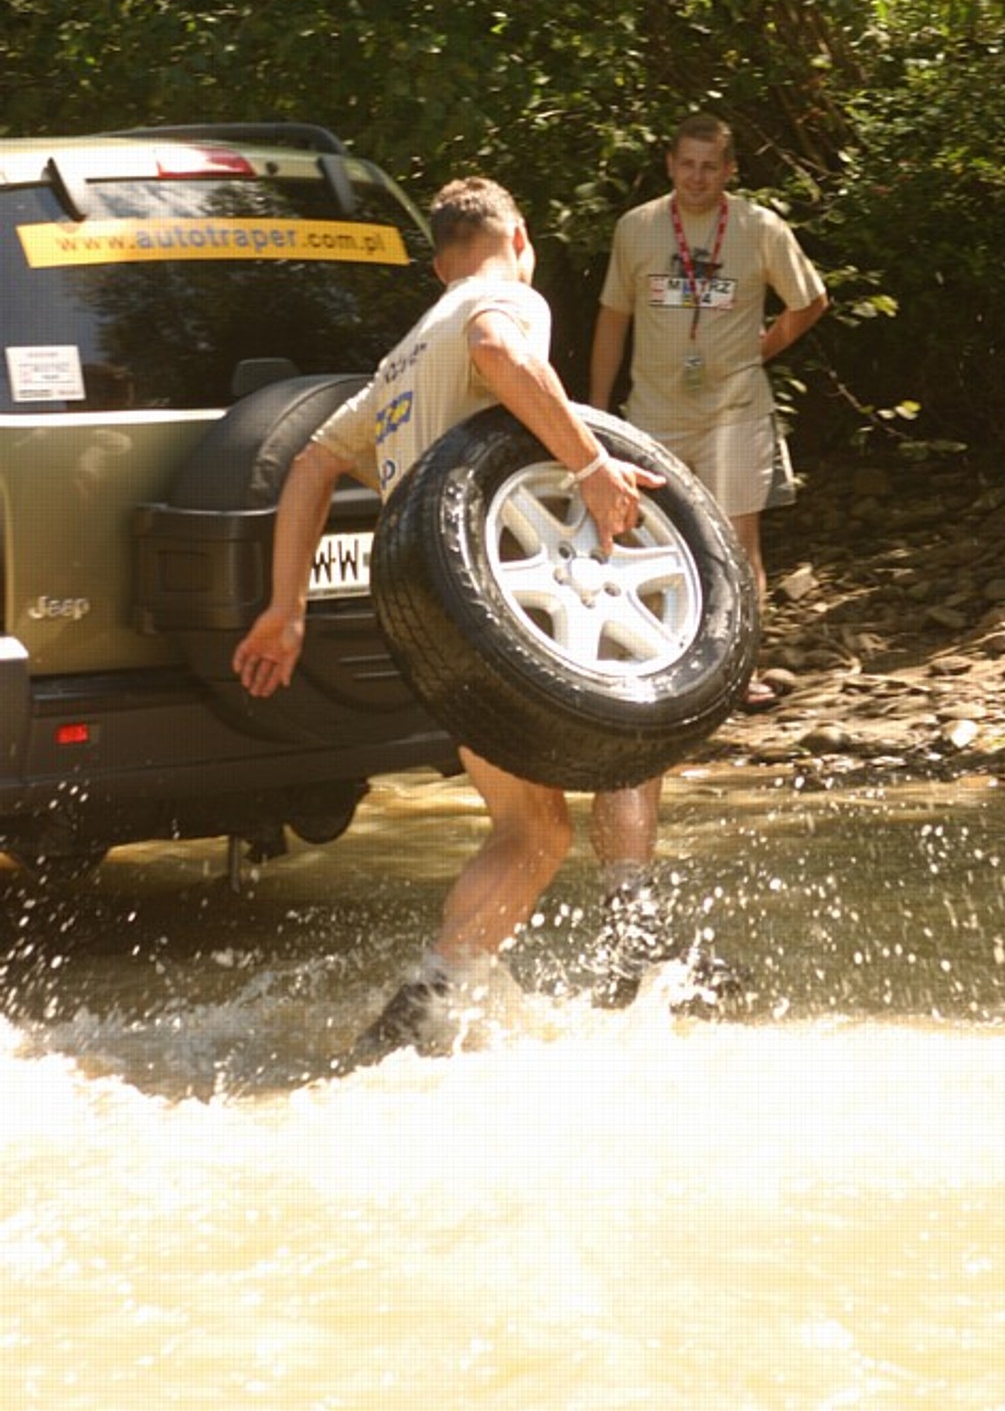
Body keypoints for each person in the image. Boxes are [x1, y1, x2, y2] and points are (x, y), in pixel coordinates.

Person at [232, 177, 713, 1064]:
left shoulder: (406, 354)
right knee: (627, 726)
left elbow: (309, 464)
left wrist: (285, 609)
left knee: (528, 829)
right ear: (519, 237)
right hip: (498, 615)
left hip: (438, 631)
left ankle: (426, 1006)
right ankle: (628, 936)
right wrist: (594, 464)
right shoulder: (502, 298)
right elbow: (499, 349)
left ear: (435, 264)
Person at [588, 111, 829, 709]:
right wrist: (596, 409)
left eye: (709, 167)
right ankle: (650, 665)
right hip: (653, 413)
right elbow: (613, 318)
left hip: (735, 411)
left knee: (739, 542)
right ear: (670, 165)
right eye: (686, 165)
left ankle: (737, 671)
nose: (697, 178)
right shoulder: (637, 228)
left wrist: (762, 349)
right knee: (642, 539)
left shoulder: (759, 227)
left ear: (729, 170)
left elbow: (811, 300)